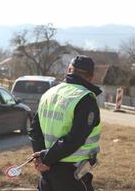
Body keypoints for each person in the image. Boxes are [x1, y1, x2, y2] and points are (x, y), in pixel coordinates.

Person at [29, 55, 102, 191]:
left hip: (47, 173)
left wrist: (42, 160)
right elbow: (74, 139)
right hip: (71, 174)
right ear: (91, 77)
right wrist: (45, 158)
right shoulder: (85, 99)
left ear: (69, 70)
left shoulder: (49, 93)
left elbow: (34, 130)